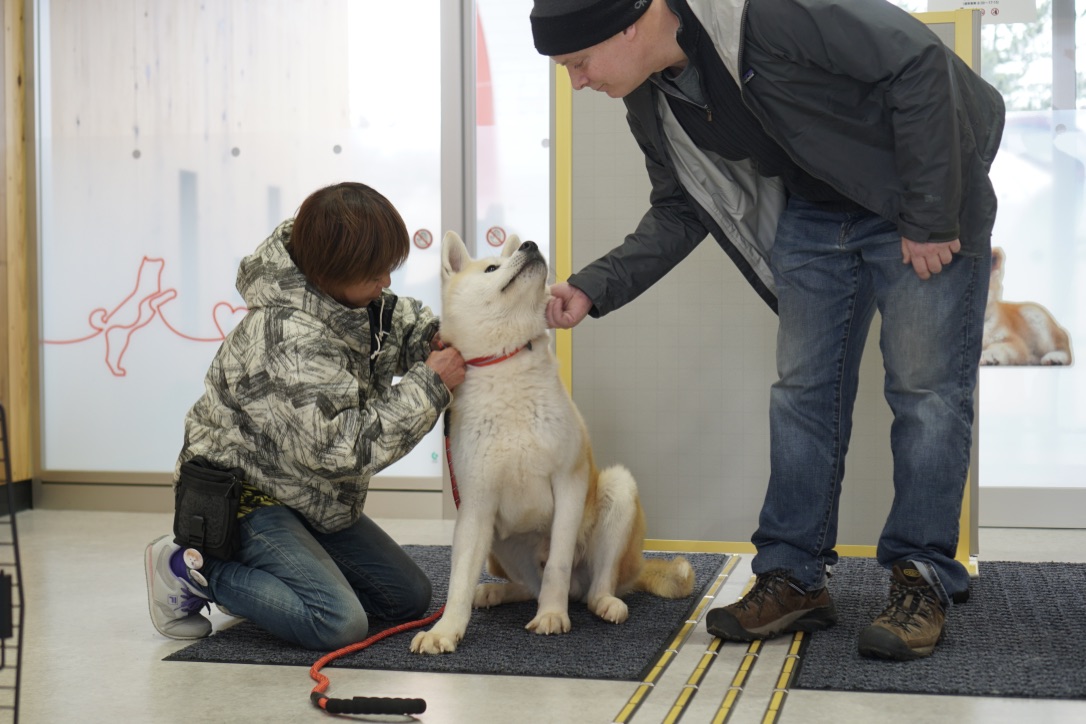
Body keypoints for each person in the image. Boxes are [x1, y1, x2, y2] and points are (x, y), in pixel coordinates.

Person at [530, 0, 1004, 660]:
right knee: (803, 397)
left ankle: (921, 578)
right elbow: (679, 208)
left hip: (924, 192)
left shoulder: (768, 12)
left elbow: (919, 66)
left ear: (629, 23)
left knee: (925, 396)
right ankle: (795, 577)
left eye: (578, 62)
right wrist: (593, 285)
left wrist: (928, 215)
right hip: (817, 211)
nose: (577, 82)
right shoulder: (651, 98)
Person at [144, 182, 466, 650]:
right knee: (336, 622)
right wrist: (430, 386)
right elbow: (342, 449)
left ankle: (295, 568)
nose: (387, 283)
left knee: (407, 598)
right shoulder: (284, 339)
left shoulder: (350, 297)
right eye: (376, 273)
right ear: (332, 272)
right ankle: (191, 568)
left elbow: (398, 324)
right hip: (245, 498)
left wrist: (434, 338)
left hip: (309, 492)